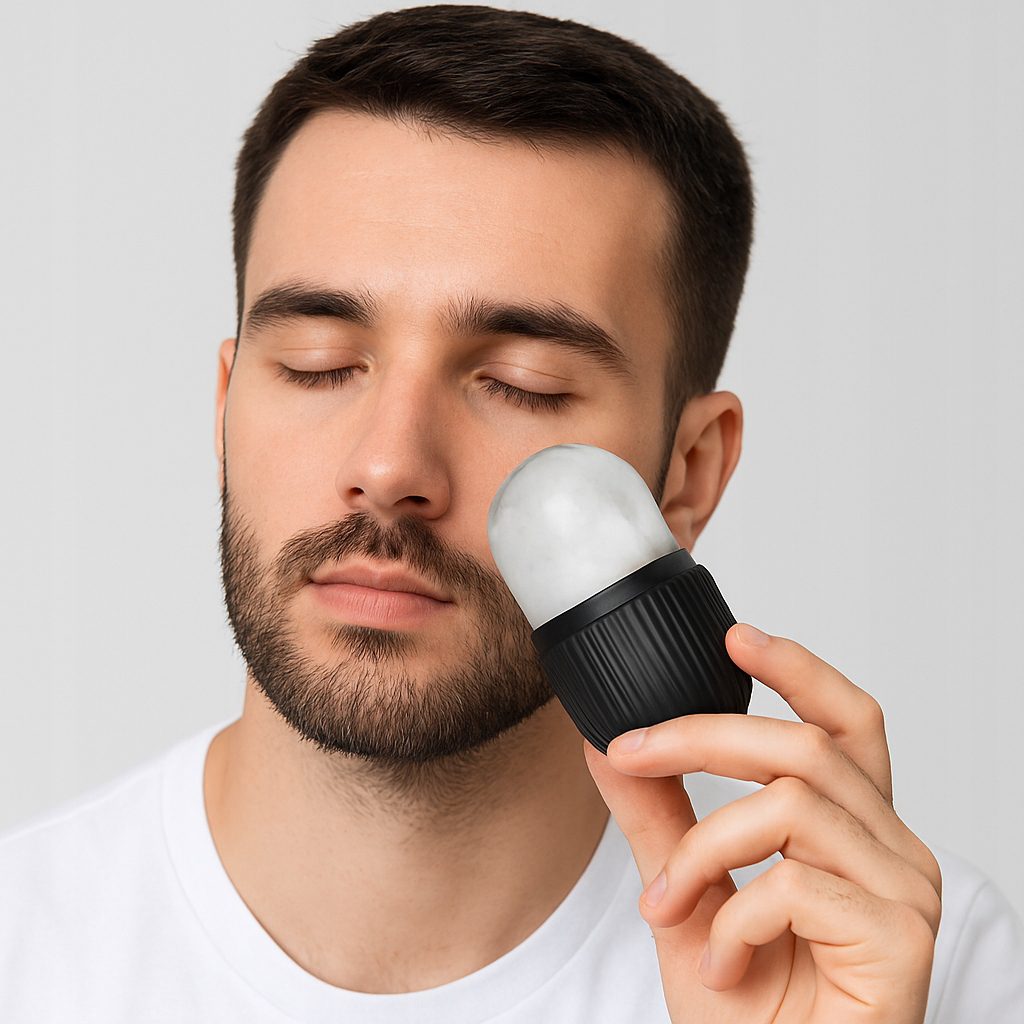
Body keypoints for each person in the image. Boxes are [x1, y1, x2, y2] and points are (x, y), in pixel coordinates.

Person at [2, 5, 1022, 1022]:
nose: (389, 465)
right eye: (318, 365)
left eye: (521, 385)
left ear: (687, 474)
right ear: (227, 407)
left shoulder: (915, 969)